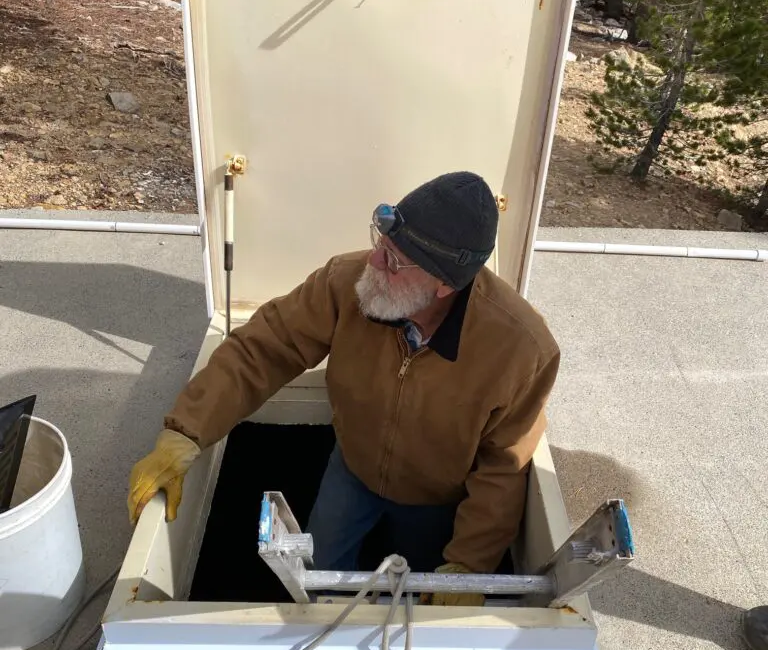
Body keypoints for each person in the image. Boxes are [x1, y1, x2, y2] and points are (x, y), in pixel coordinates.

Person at [127, 171, 560, 606]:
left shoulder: (522, 350)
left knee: (427, 585)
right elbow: (262, 348)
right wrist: (186, 430)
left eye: (393, 261)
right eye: (381, 244)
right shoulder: (345, 281)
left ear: (445, 285)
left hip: (438, 495)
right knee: (322, 570)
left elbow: (505, 466)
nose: (373, 263)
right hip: (351, 469)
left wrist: (470, 563)